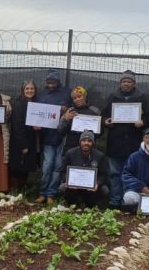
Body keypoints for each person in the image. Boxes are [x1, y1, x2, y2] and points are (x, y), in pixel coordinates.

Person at [101, 70, 149, 207]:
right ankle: (114, 201)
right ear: (120, 83)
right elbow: (103, 115)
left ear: (134, 84)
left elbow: (148, 118)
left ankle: (127, 202)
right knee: (114, 173)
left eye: (129, 81)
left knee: (130, 174)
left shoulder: (141, 97)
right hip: (115, 143)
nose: (126, 84)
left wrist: (142, 123)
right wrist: (106, 122)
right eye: (124, 81)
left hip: (133, 143)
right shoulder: (113, 97)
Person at [35, 71, 70, 203]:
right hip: (48, 137)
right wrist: (37, 124)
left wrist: (67, 109)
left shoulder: (67, 93)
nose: (51, 85)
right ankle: (42, 192)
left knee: (58, 167)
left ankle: (51, 194)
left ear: (58, 82)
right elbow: (37, 113)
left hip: (62, 137)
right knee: (47, 165)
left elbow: (75, 106)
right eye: (49, 82)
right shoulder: (42, 95)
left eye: (53, 82)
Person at [56, 130, 108, 208]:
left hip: (91, 187)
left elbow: (103, 175)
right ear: (80, 142)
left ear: (93, 143)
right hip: (74, 185)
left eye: (89, 141)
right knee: (62, 188)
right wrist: (68, 181)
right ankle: (71, 203)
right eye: (83, 140)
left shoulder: (100, 156)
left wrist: (97, 183)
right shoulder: (70, 153)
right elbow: (63, 171)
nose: (86, 143)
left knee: (104, 190)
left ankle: (92, 205)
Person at [8, 80, 39, 193]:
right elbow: (17, 126)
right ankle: (14, 193)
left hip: (31, 141)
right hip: (20, 142)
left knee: (26, 168)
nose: (30, 91)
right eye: (27, 88)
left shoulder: (36, 104)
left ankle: (21, 193)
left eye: (32, 88)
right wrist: (23, 145)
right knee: (17, 168)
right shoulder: (18, 104)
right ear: (23, 90)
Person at [57, 86, 101, 155]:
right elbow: (60, 130)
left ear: (85, 96)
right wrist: (65, 119)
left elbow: (100, 132)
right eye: (74, 98)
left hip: (88, 149)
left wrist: (89, 133)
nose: (77, 99)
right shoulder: (70, 111)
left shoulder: (95, 111)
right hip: (70, 148)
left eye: (79, 96)